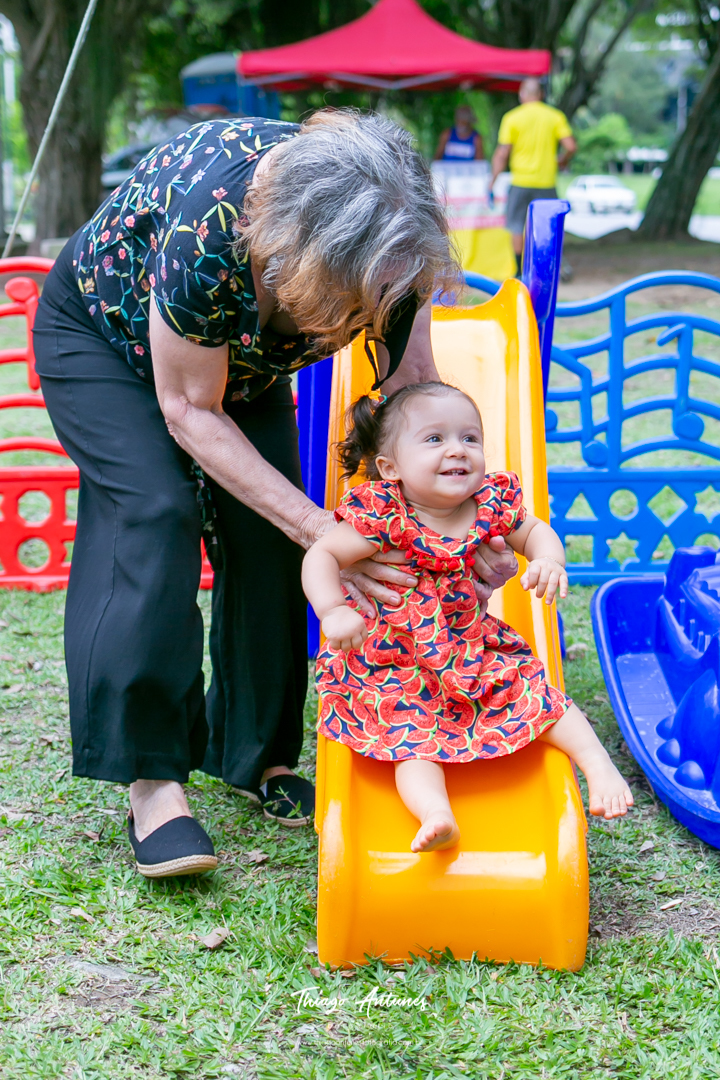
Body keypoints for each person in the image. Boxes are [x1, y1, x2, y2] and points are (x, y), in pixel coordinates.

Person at [32, 109, 519, 878]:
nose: (369, 317)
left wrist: (461, 529)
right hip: (102, 337)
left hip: (241, 362)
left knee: (266, 535)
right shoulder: (210, 227)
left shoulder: (390, 221)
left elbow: (415, 388)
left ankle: (255, 756)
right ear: (305, 257)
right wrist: (318, 527)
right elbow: (188, 408)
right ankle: (154, 783)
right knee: (155, 512)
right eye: (356, 301)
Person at [302, 382, 633, 853]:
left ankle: (597, 764)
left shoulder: (491, 504)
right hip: (397, 665)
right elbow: (321, 556)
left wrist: (547, 559)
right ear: (390, 467)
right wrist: (332, 609)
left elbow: (537, 531)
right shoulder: (387, 516)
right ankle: (435, 812)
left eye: (470, 438)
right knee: (408, 739)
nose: (457, 449)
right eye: (434, 439)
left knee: (533, 690)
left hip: (470, 648)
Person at [491, 78, 576, 267]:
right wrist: (563, 160)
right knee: (547, 228)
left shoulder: (512, 117)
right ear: (541, 95)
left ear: (522, 94)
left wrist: (493, 180)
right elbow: (570, 146)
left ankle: (519, 269)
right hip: (546, 182)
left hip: (520, 181)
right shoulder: (555, 116)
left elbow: (503, 152)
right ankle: (546, 267)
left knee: (516, 226)